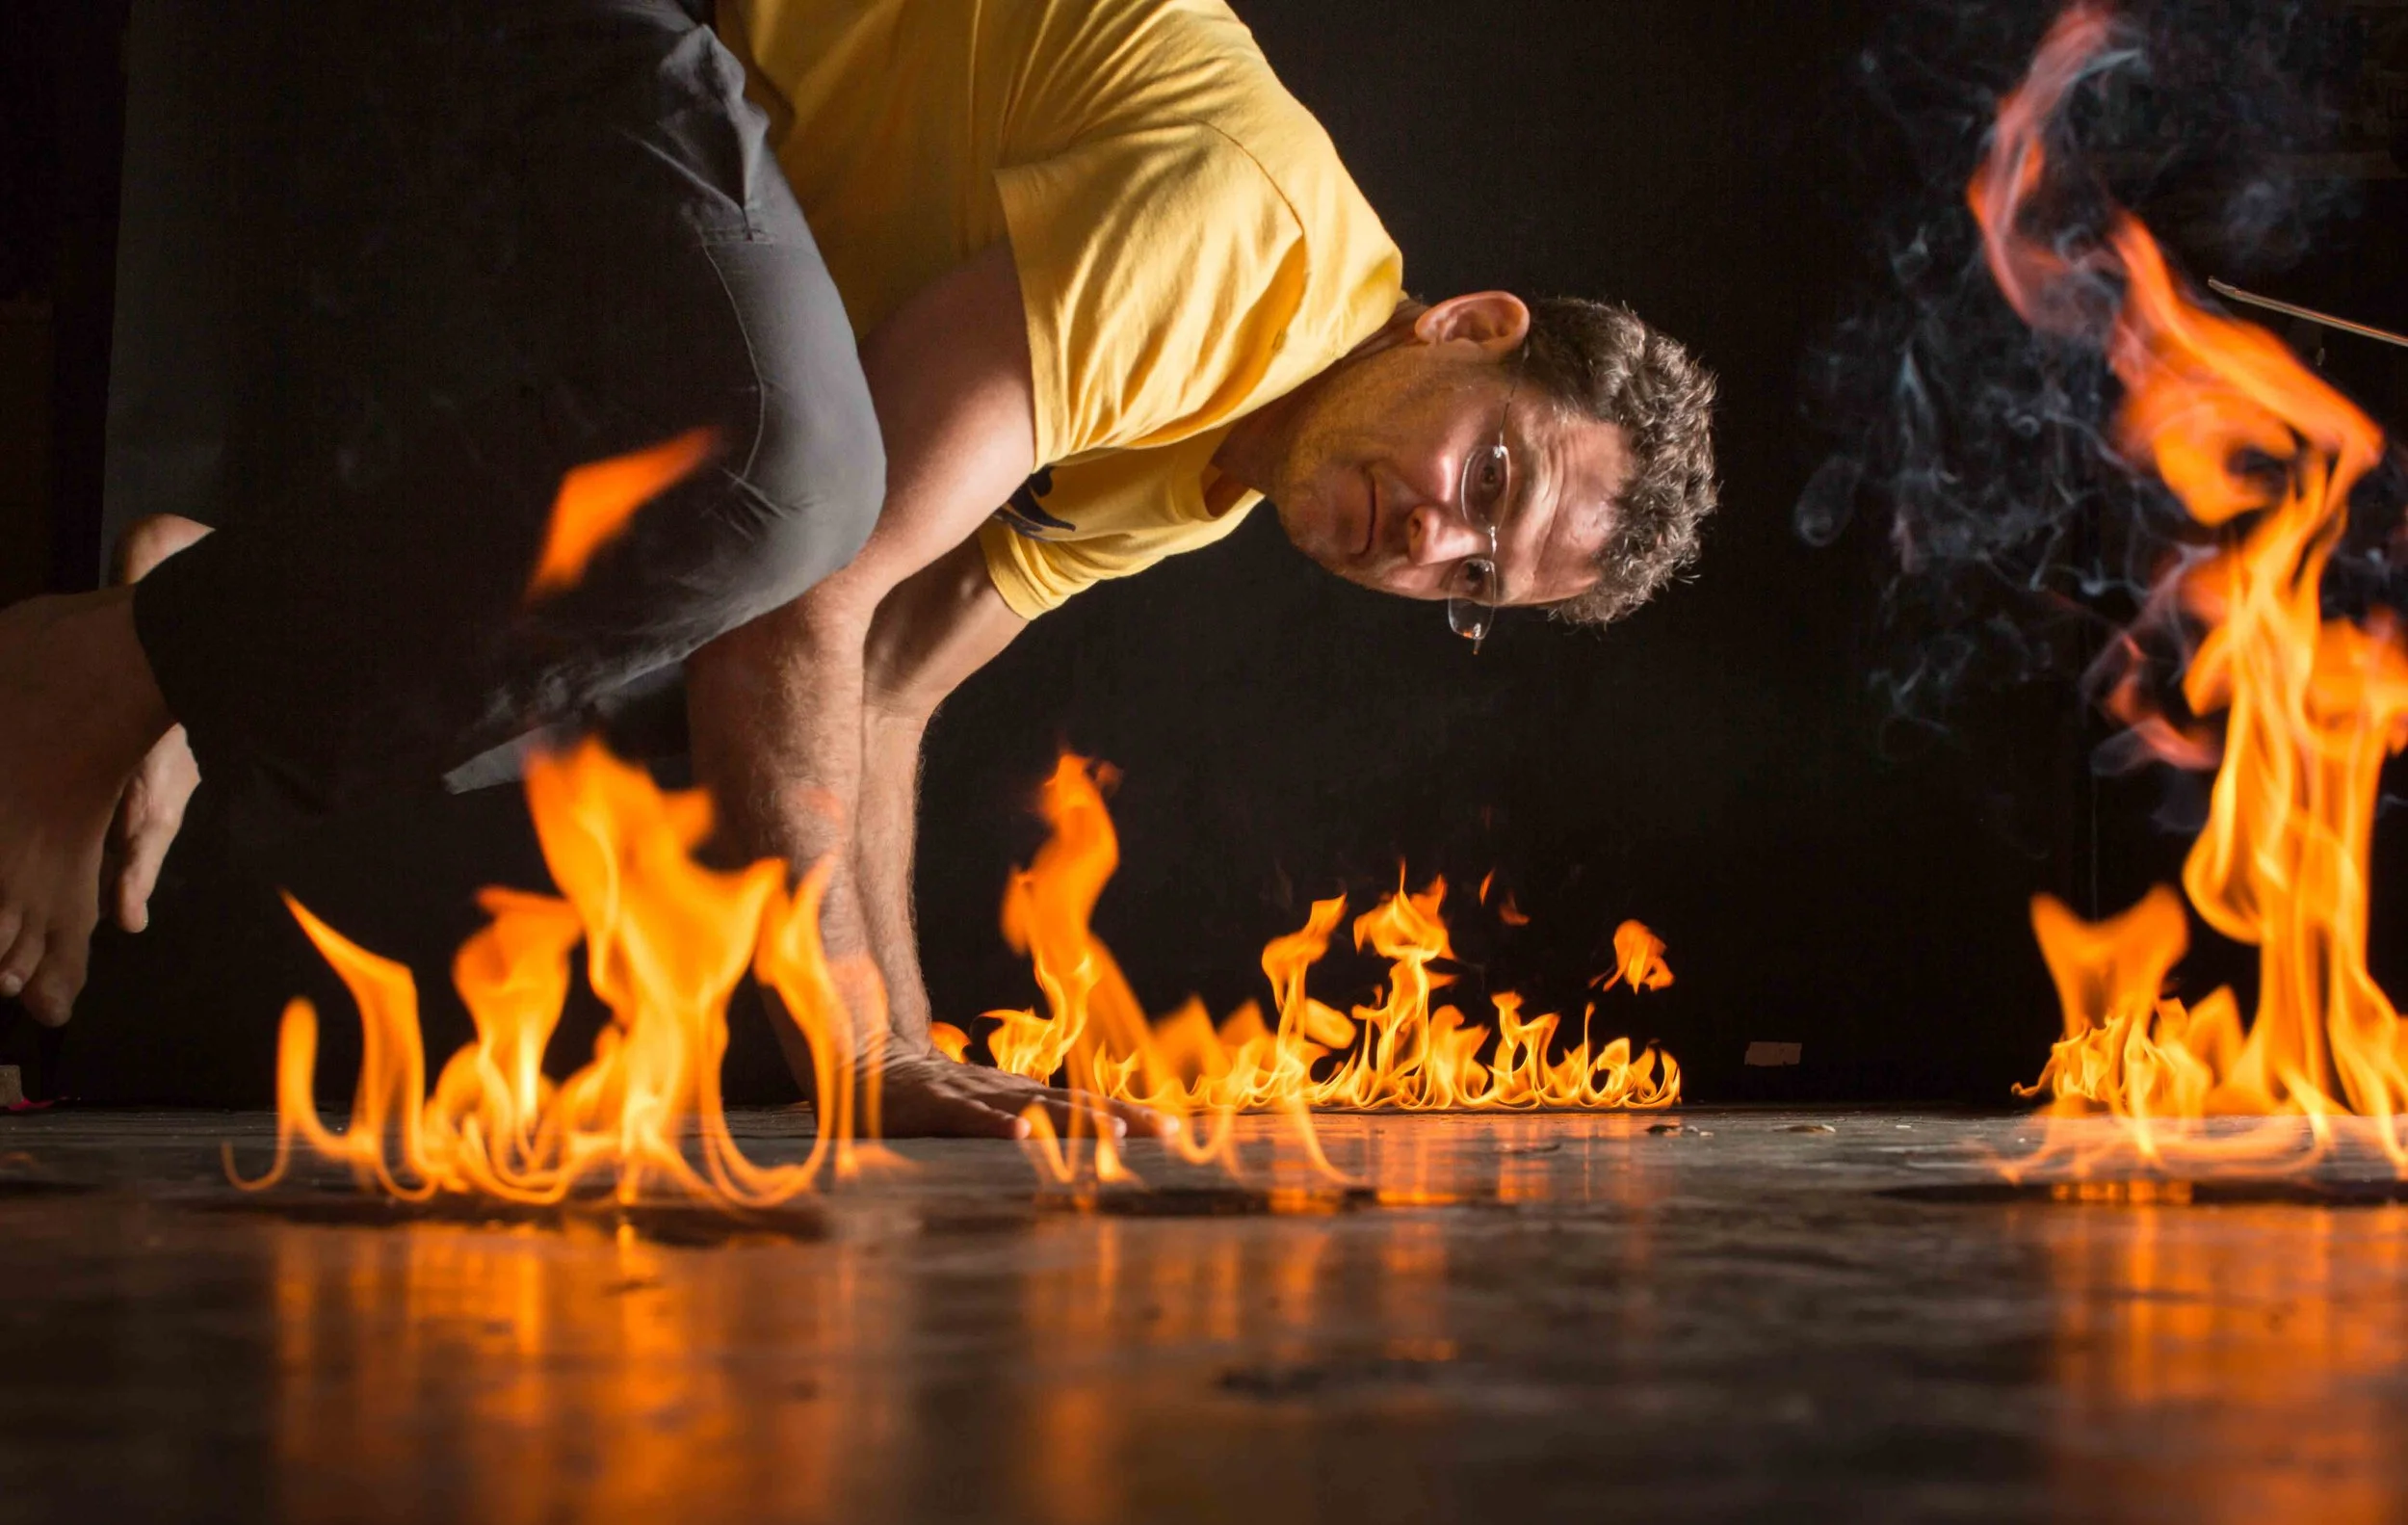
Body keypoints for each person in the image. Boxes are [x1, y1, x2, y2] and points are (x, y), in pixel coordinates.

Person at [0, 0, 1717, 1138]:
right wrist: (845, 1043)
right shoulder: (1245, 257)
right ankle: (103, 673)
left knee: (768, 540)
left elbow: (888, 677)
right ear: (1471, 327)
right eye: (1485, 470)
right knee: (785, 493)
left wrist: (909, 1043)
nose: (1435, 540)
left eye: (1479, 578)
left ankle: (208, 609)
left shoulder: (1218, 469)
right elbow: (807, 610)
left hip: (665, 160)